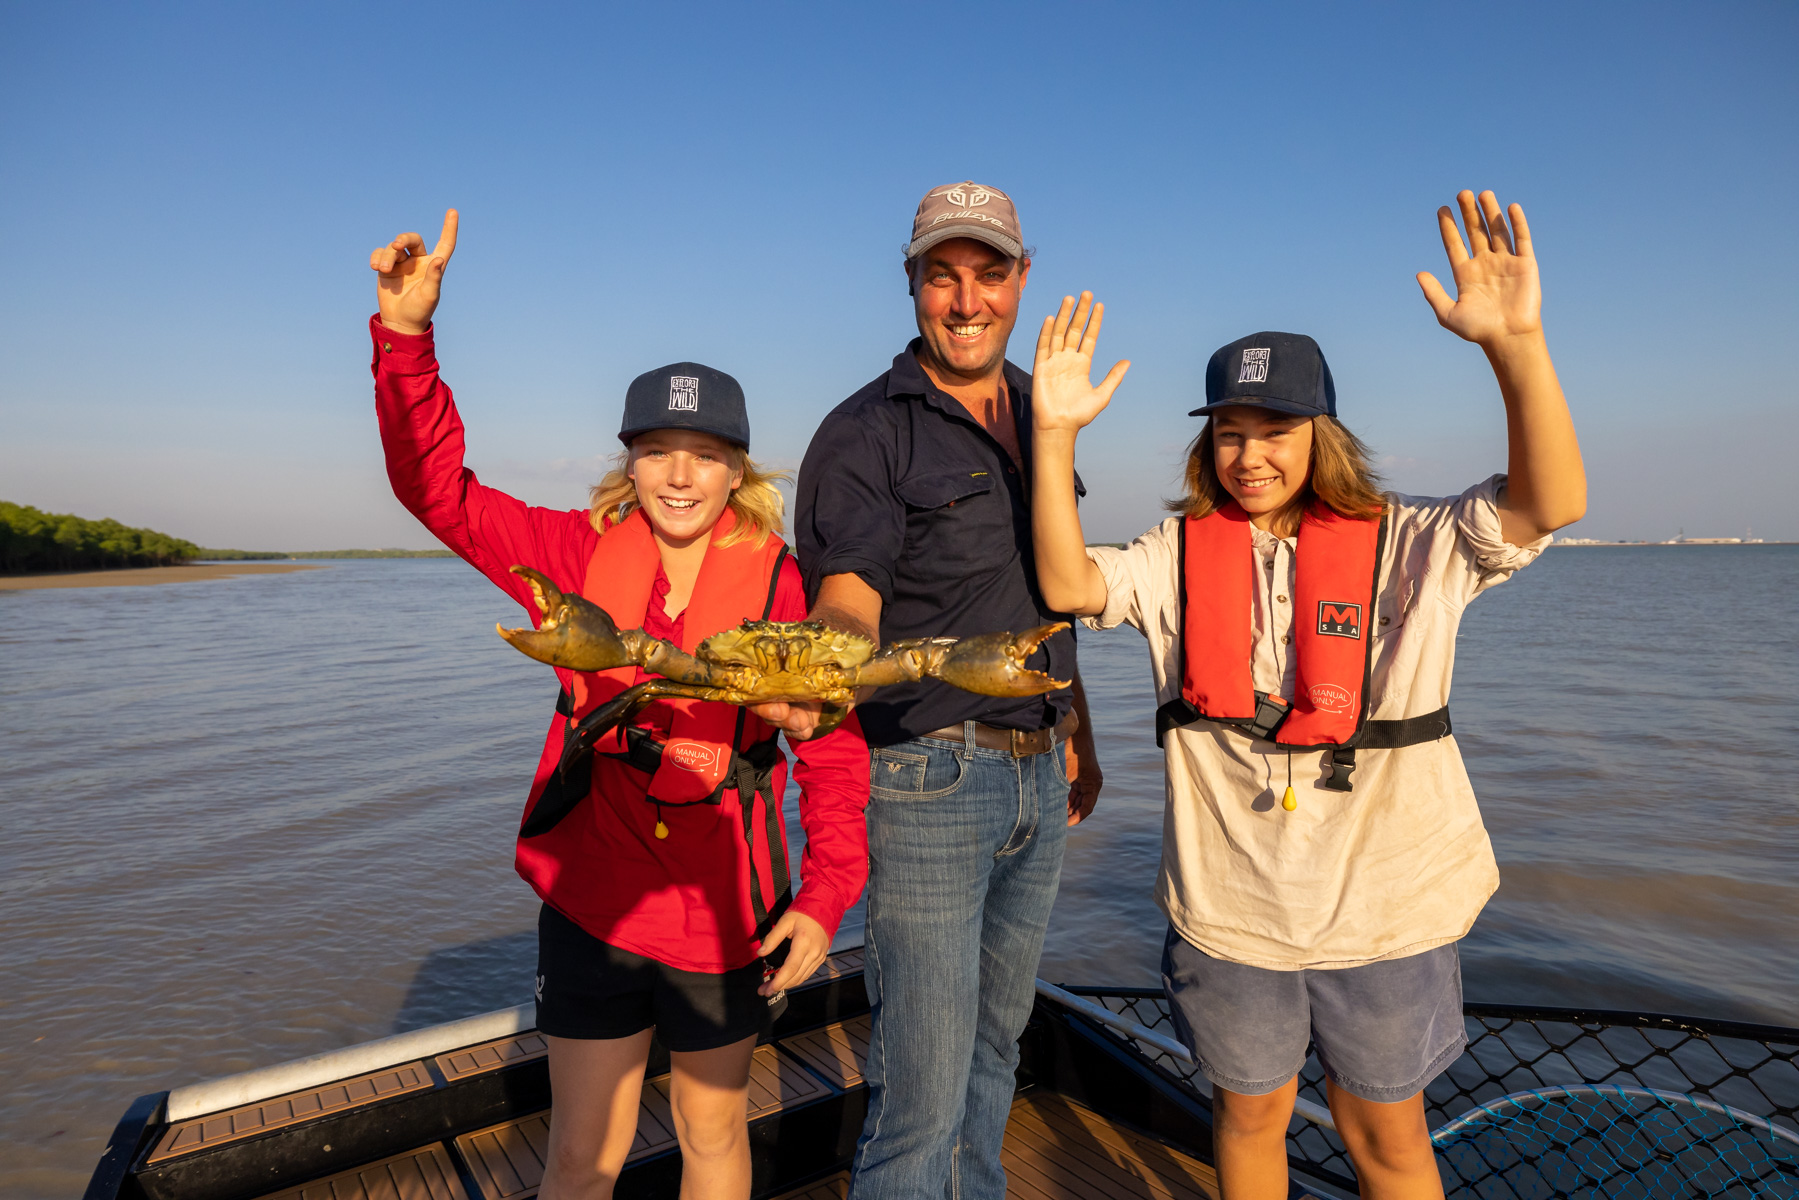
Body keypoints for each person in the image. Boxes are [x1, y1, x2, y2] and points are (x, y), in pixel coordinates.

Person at [1028, 190, 1585, 1200]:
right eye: (1228, 432)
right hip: (1228, 913)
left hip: (1387, 912)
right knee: (1247, 1120)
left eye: (1274, 429)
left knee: (1387, 1140)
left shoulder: (1413, 543)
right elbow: (1069, 587)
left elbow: (1550, 503)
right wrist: (1053, 434)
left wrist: (1515, 345)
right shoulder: (1174, 556)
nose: (1249, 455)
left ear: (1320, 431)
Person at [366, 210, 870, 1200]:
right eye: (656, 450)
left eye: (704, 453)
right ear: (627, 461)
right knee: (580, 1155)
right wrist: (405, 337)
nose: (679, 475)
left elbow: (834, 758)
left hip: (726, 912)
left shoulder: (784, 588)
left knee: (713, 1134)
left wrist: (822, 898)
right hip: (594, 899)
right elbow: (437, 491)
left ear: (738, 469)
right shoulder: (571, 553)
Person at [758, 182, 1102, 1200]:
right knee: (918, 1090)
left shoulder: (1046, 412)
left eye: (987, 275)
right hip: (926, 781)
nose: (965, 301)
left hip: (1038, 773)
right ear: (909, 284)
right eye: (940, 277)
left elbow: (1053, 586)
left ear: (1019, 280)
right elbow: (848, 594)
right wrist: (824, 665)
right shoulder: (864, 432)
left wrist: (1080, 729)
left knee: (997, 1055)